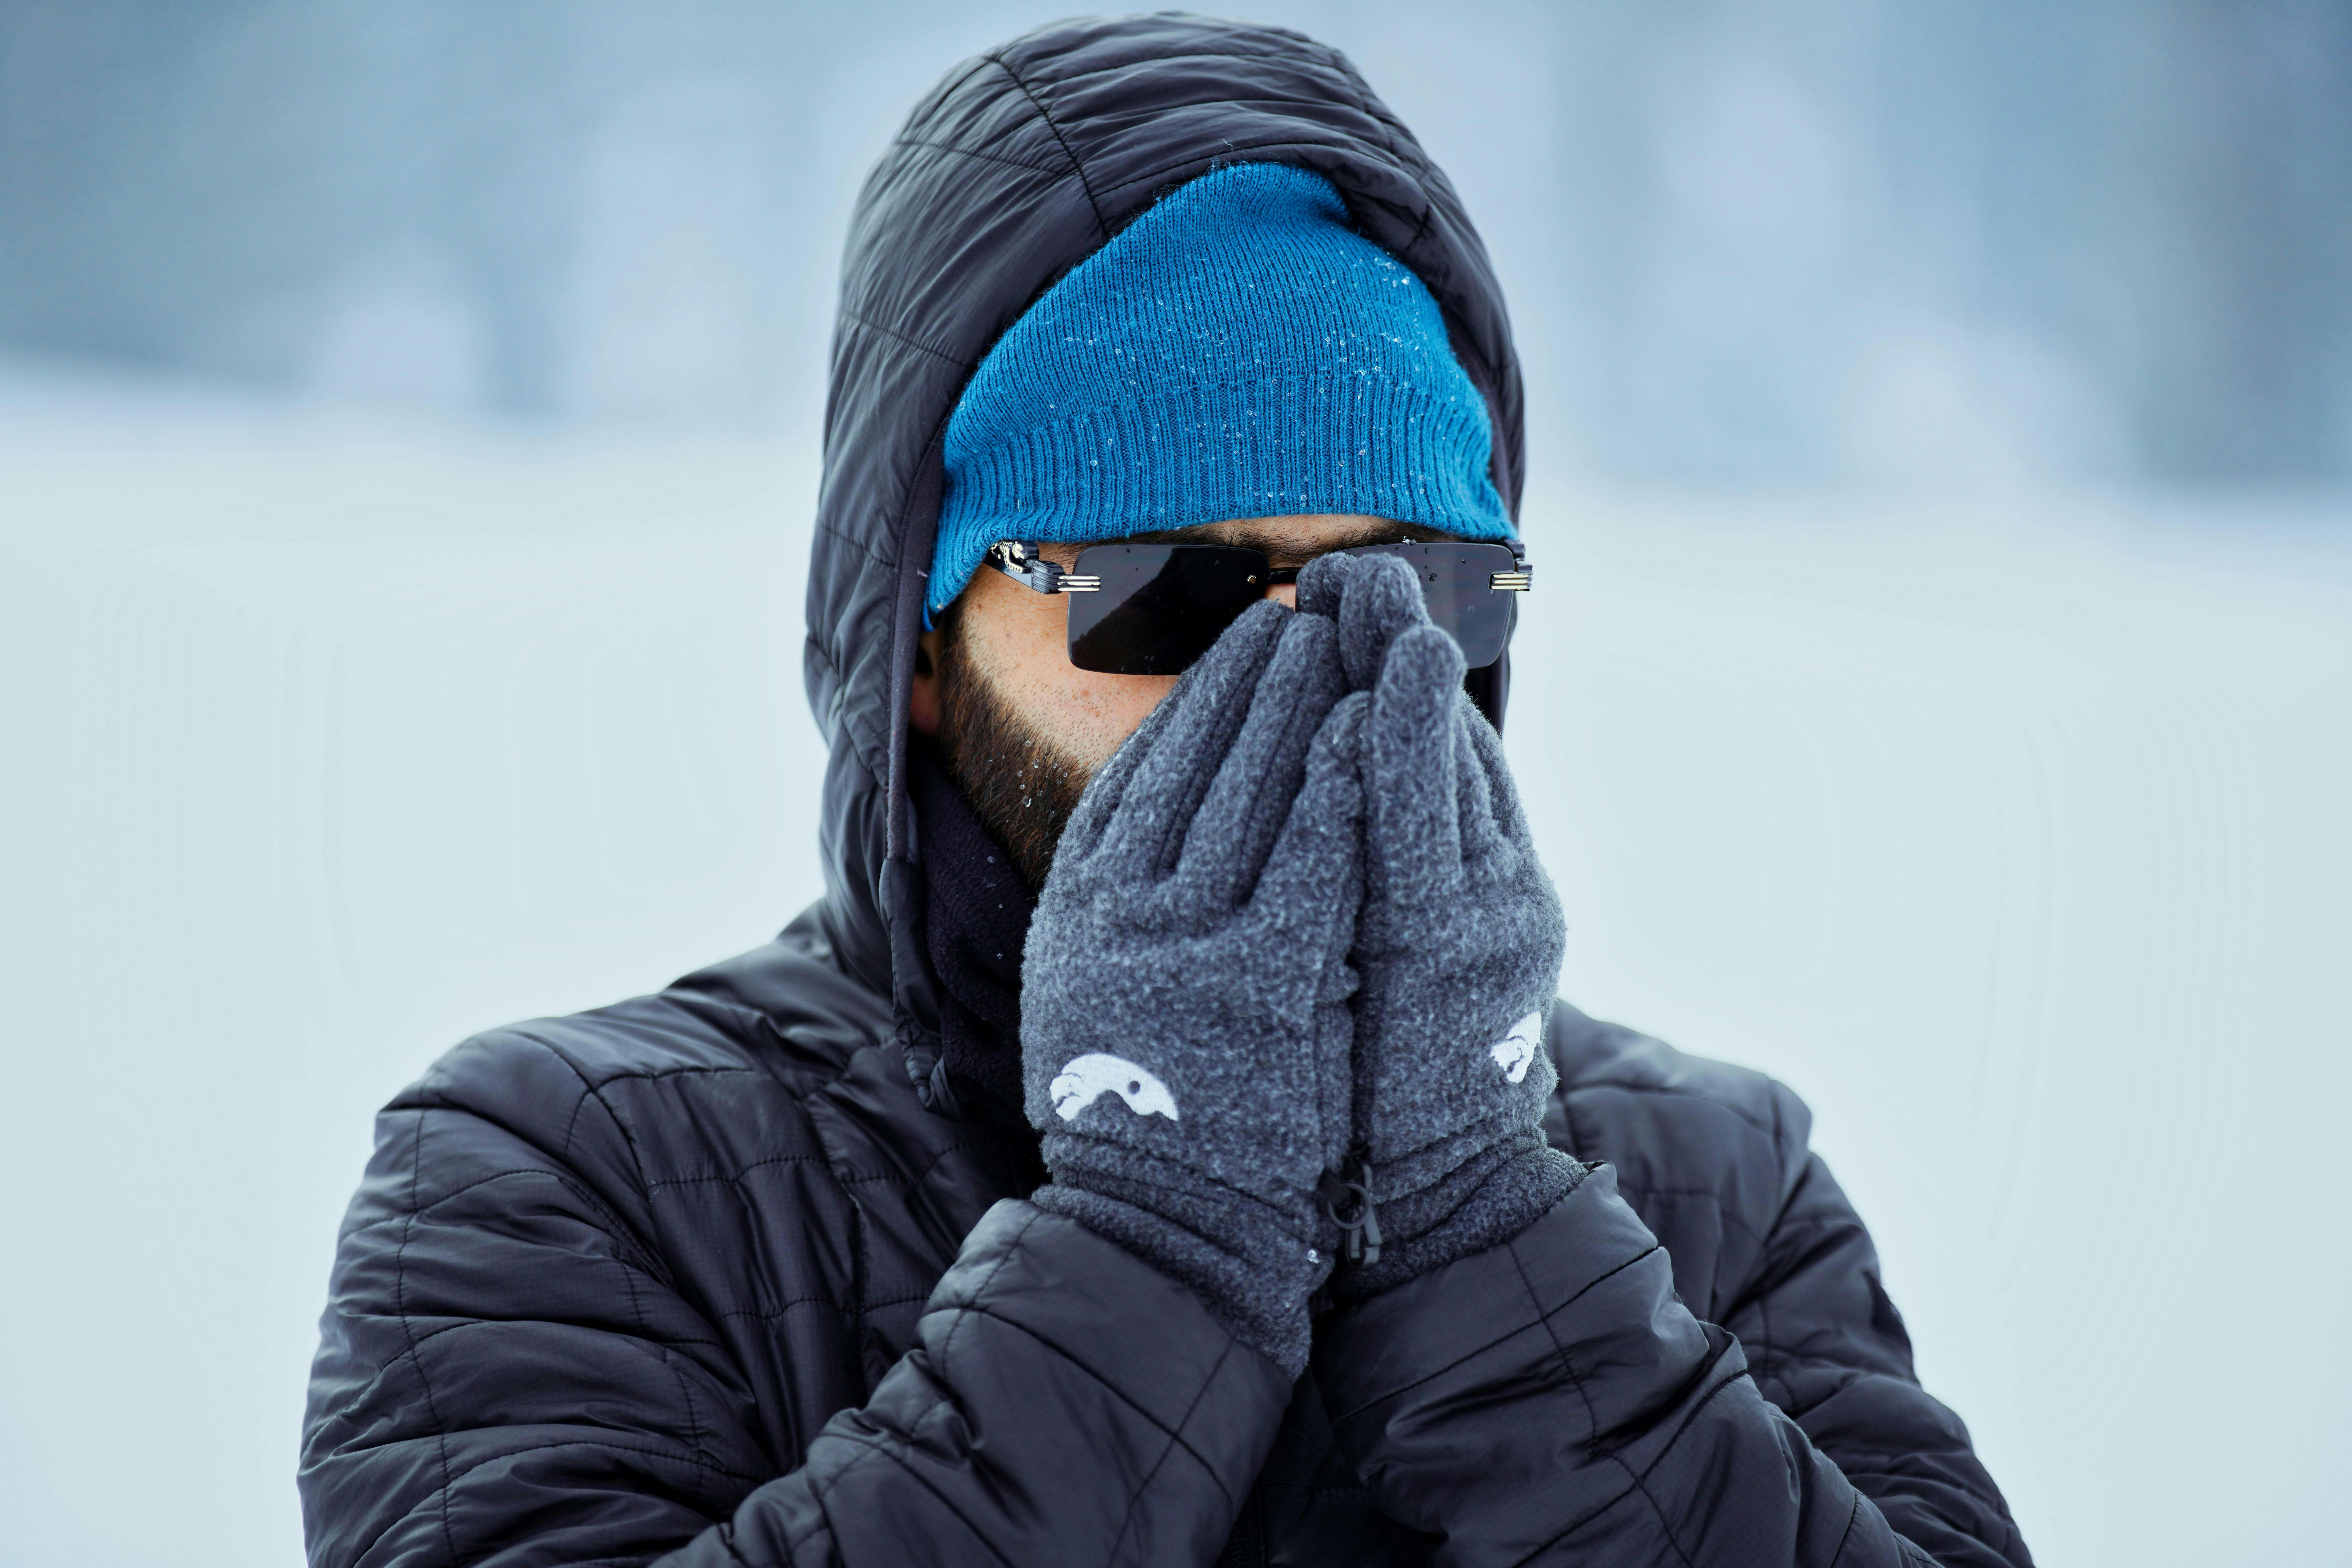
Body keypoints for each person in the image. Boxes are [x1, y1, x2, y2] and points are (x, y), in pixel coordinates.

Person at [299, 15, 2032, 1567]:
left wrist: (1488, 1244)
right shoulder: (568, 1178)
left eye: (1411, 595)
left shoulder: (1715, 1183)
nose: (1301, 690)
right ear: (918, 640)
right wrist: (1152, 1254)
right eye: (1171, 596)